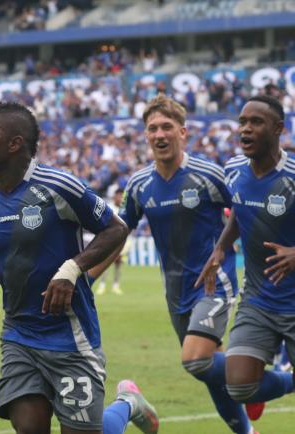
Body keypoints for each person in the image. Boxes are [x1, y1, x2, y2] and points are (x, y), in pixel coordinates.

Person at [0, 102, 158, 434]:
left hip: (70, 336)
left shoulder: (58, 186)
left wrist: (72, 269)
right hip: (18, 336)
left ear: (14, 144)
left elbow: (116, 229)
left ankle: (128, 403)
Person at [119, 94, 257, 434]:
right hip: (176, 291)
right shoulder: (138, 184)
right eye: (153, 128)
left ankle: (260, 374)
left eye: (167, 127)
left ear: (183, 132)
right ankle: (247, 430)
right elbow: (117, 232)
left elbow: (246, 209)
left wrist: (224, 249)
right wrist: (82, 275)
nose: (159, 134)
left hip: (214, 283)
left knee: (195, 360)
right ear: (146, 135)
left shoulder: (208, 174)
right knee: (209, 372)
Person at [196, 94, 295, 419]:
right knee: (239, 386)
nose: (245, 129)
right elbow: (239, 211)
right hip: (258, 301)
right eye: (242, 122)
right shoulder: (234, 170)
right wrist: (221, 246)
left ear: (278, 128)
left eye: (256, 122)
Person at [95, 188, 129, 296]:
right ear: (114, 196)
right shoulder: (108, 207)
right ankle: (102, 286)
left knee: (118, 264)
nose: (120, 198)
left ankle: (116, 286)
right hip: (109, 240)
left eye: (122, 196)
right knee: (105, 263)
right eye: (119, 195)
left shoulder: (125, 209)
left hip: (122, 240)